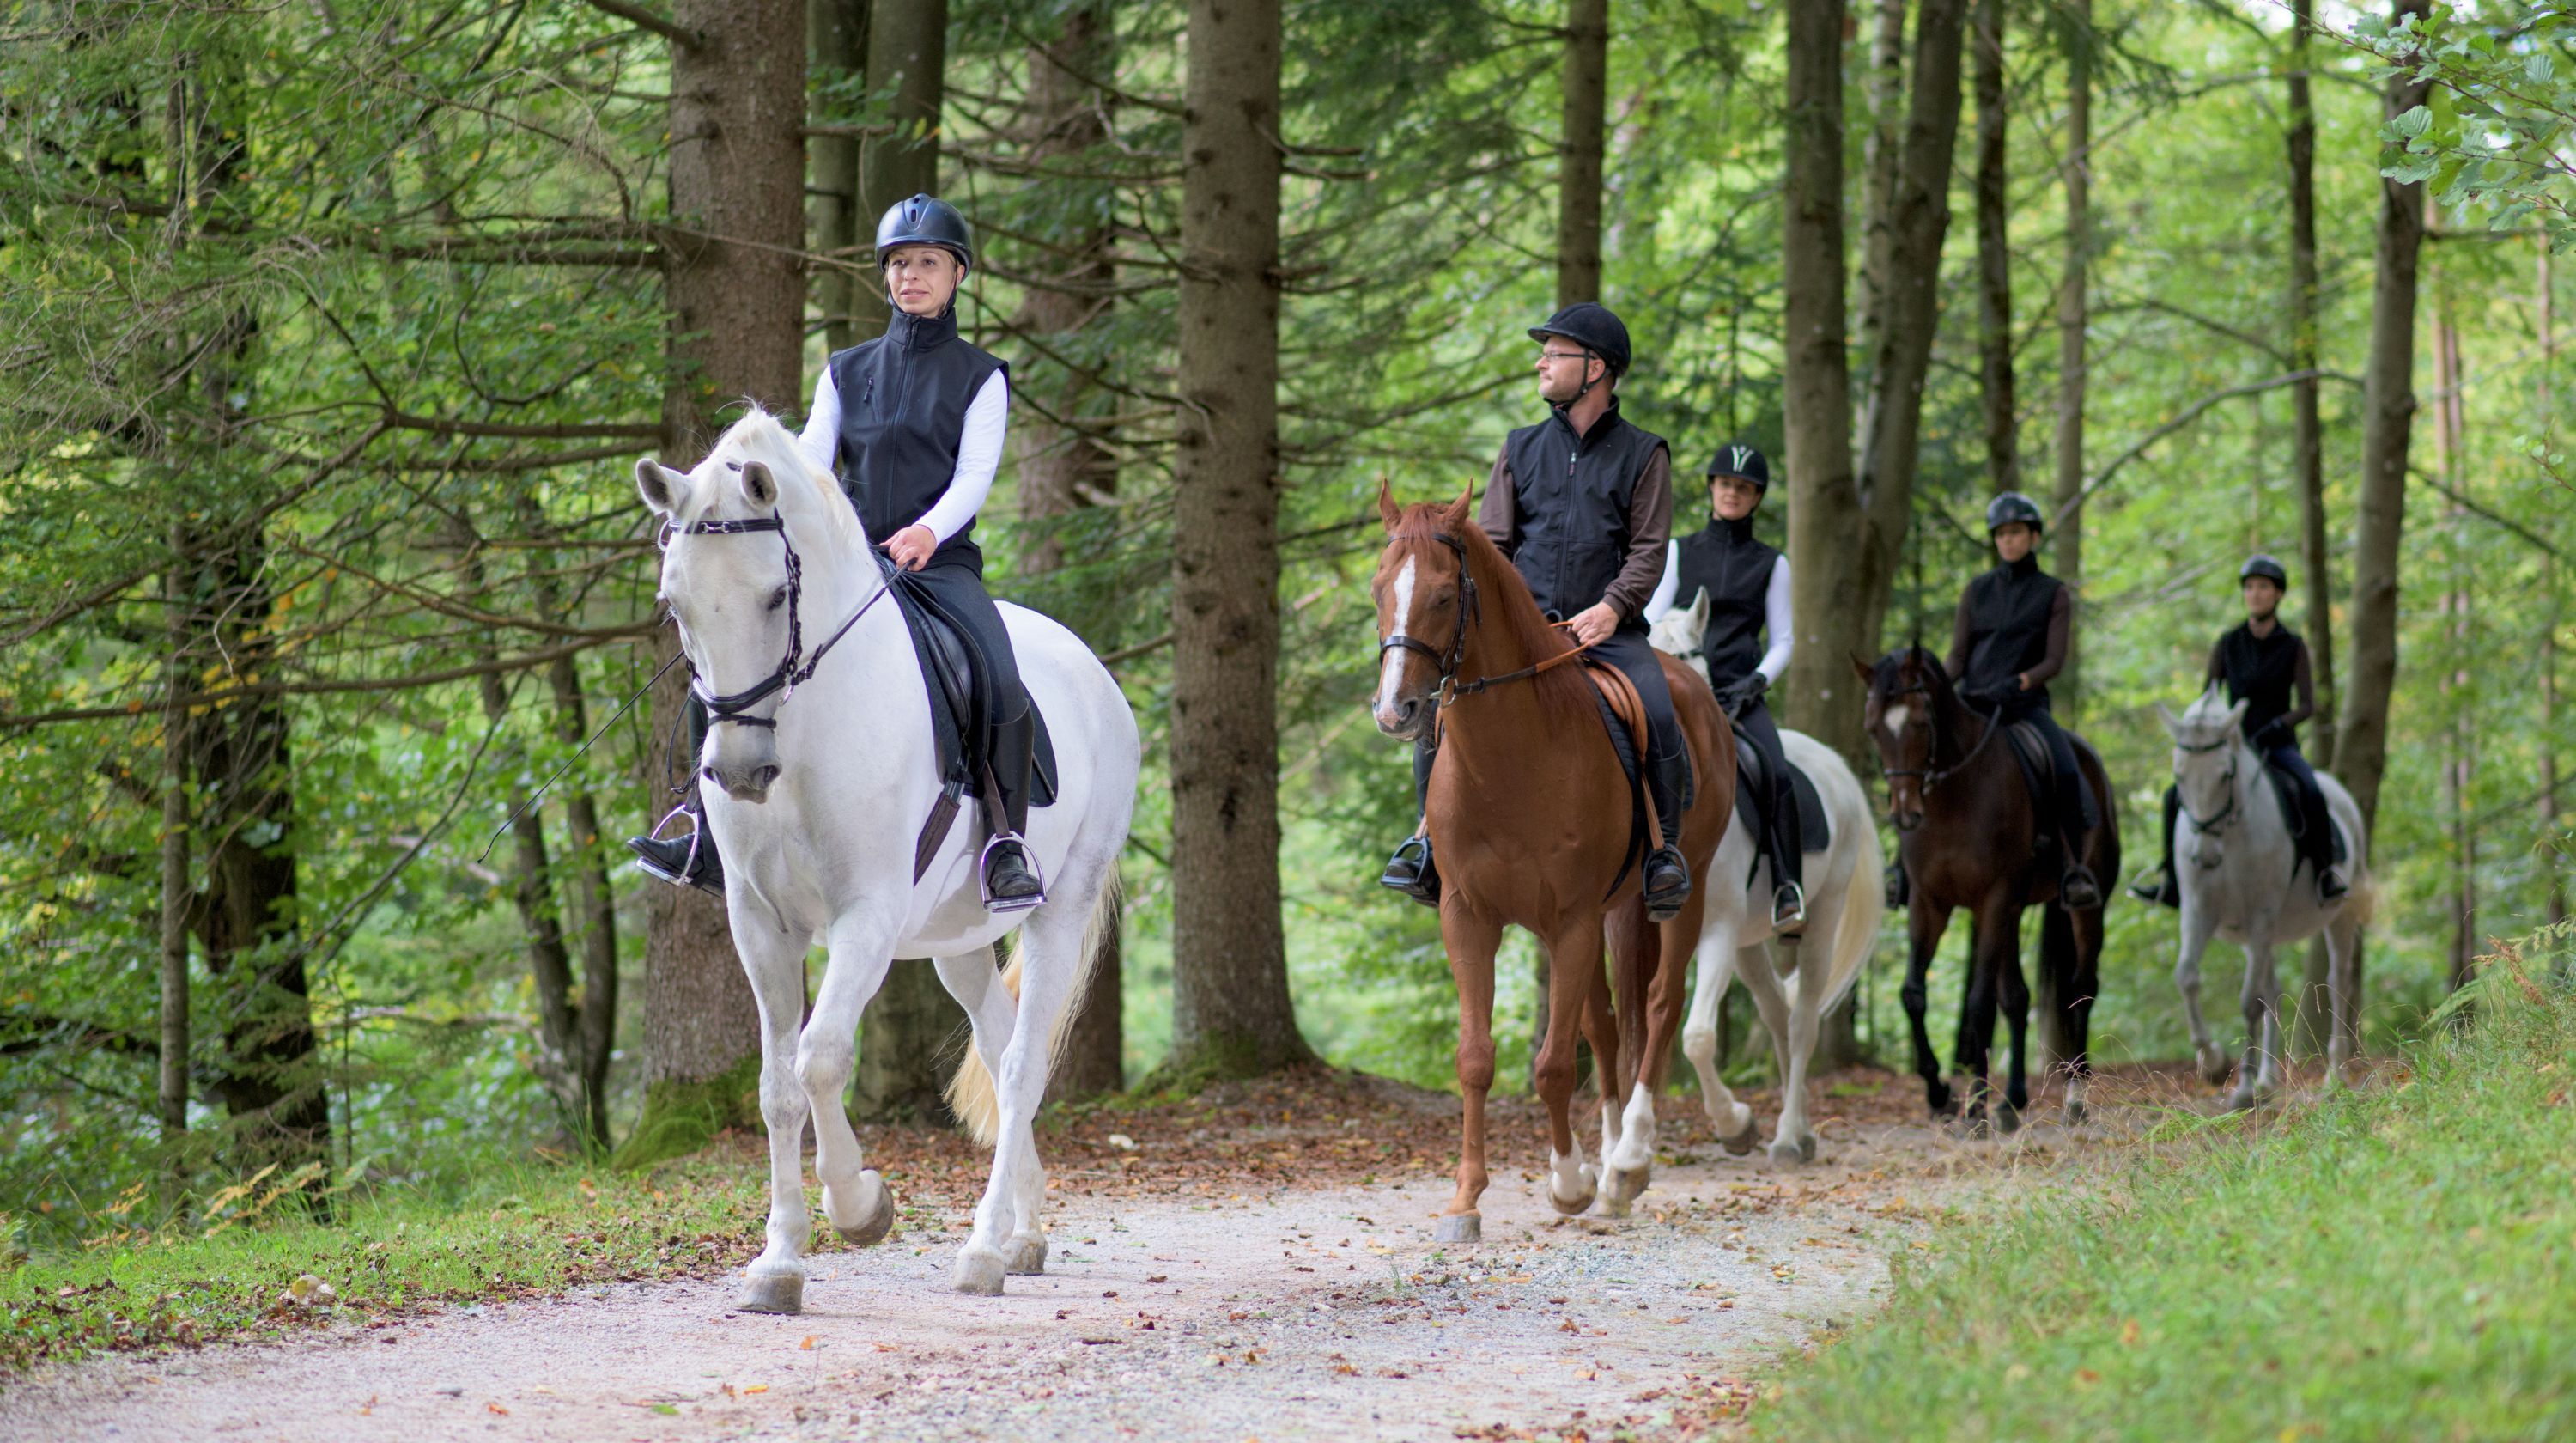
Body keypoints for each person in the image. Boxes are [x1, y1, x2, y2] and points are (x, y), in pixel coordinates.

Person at [629, 193, 1044, 911]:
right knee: (727, 657)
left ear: (957, 275)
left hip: (937, 565)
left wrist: (927, 532)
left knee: (998, 675)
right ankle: (702, 828)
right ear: (885, 275)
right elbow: (812, 464)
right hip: (852, 567)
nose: (911, 275)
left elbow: (976, 475)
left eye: (927, 263)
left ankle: (1006, 841)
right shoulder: (847, 371)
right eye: (899, 264)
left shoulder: (982, 377)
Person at [1379, 301, 1692, 919]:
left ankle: (1663, 854)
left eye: (1554, 353)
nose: (1540, 363)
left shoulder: (1644, 453)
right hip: (1524, 636)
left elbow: (1649, 550)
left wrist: (1612, 607)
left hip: (1605, 631)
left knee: (1658, 710)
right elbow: (1493, 547)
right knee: (1443, 712)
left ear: (1595, 367)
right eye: (1543, 353)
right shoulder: (1520, 448)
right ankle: (1425, 845)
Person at [1643, 441, 1803, 932]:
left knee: (1776, 773)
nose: (1733, 493)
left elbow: (1783, 639)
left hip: (1739, 693)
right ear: (1712, 488)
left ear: (1756, 498)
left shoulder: (1772, 563)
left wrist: (1757, 681)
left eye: (1744, 488)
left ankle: (1786, 887)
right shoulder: (1678, 551)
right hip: (1680, 688)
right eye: (1726, 484)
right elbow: (1650, 618)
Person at [2130, 554, 2347, 906]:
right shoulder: (2228, 643)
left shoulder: (2293, 647)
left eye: (2263, 587)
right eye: (2249, 587)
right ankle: (2170, 878)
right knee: (2173, 795)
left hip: (2277, 745)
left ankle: (2325, 873)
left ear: (2278, 595)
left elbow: (2308, 705)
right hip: (2231, 744)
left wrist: (2280, 724)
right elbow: (2208, 696)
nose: (2255, 594)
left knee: (2310, 789)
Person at [1943, 492, 2102, 910]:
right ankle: (1902, 870)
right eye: (2001, 535)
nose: (2008, 541)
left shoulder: (2053, 593)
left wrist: (2022, 681)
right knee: (1923, 760)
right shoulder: (1975, 591)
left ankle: (2074, 870)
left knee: (2066, 769)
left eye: (2016, 533)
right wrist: (1937, 689)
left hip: (2024, 707)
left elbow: (2054, 659)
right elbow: (1958, 656)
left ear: (2033, 537)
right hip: (1974, 703)